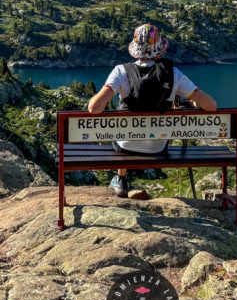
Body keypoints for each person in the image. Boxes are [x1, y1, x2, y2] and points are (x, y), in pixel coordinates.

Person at [87, 23, 217, 197]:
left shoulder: (121, 71)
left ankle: (121, 178)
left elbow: (94, 108)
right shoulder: (174, 73)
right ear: (160, 48)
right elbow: (211, 105)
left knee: (123, 125)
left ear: (135, 48)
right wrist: (194, 103)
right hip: (158, 147)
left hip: (125, 146)